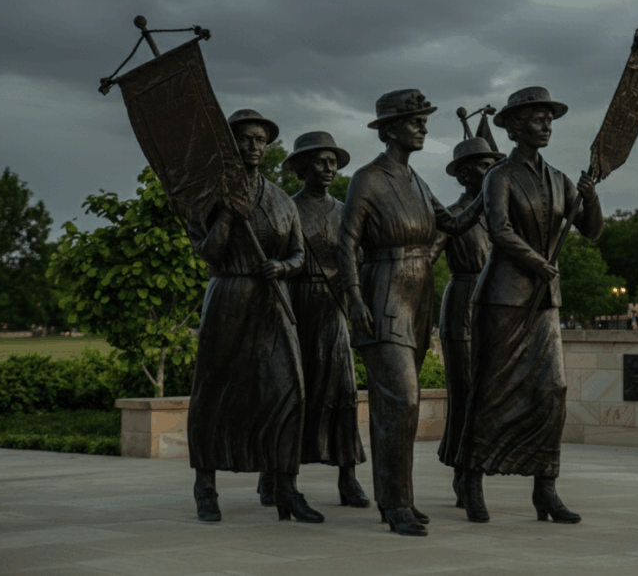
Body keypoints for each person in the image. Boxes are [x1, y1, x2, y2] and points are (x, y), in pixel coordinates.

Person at [338, 89, 483, 537]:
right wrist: (355, 300)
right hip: (383, 290)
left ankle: (397, 498)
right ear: (389, 129)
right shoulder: (367, 178)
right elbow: (346, 244)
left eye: (424, 120)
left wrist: (493, 186)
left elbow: (454, 224)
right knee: (401, 400)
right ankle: (396, 502)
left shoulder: (418, 181)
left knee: (399, 405)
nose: (423, 126)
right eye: (414, 120)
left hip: (418, 295)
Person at [456, 86, 602, 524]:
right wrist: (540, 263)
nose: (546, 125)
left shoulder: (560, 179)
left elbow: (591, 231)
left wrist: (590, 195)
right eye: (538, 118)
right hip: (503, 296)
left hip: (544, 302)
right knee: (492, 390)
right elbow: (498, 229)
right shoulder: (498, 175)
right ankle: (471, 477)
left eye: (550, 119)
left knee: (551, 391)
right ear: (516, 126)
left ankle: (546, 487)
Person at [186, 109, 322, 524]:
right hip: (230, 294)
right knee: (215, 392)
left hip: (273, 299)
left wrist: (282, 268)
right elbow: (208, 254)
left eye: (261, 140)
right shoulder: (208, 194)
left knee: (289, 390)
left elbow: (300, 254)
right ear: (230, 143)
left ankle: (286, 487)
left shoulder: (281, 198)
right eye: (245, 138)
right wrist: (228, 213)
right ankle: (206, 487)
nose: (254, 146)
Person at [279, 131, 370, 509]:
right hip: (297, 303)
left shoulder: (344, 208)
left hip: (334, 307)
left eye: (333, 161)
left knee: (342, 391)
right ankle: (279, 476)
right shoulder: (288, 207)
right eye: (320, 161)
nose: (329, 168)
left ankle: (347, 477)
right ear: (302, 167)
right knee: (291, 392)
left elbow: (356, 254)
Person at [429, 137, 503, 508]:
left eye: (492, 162)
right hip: (461, 309)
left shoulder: (500, 218)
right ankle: (465, 474)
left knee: (489, 397)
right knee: (466, 397)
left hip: (496, 311)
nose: (489, 168)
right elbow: (423, 258)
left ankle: (476, 469)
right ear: (461, 174)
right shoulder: (453, 216)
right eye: (480, 164)